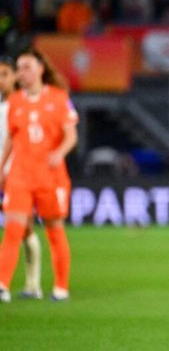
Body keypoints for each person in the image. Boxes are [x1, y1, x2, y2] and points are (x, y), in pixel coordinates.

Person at [0, 49, 78, 303]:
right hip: (21, 175)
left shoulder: (59, 98)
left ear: (41, 68)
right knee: (13, 229)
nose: (22, 73)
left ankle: (61, 287)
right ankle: (2, 284)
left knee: (54, 231)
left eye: (27, 67)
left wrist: (60, 152)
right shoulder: (15, 102)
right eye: (20, 68)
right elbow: (11, 139)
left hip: (51, 177)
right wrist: (2, 168)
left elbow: (71, 136)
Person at [0, 56, 43, 299]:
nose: (1, 79)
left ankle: (32, 283)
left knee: (21, 228)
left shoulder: (21, 105)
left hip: (15, 174)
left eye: (5, 74)